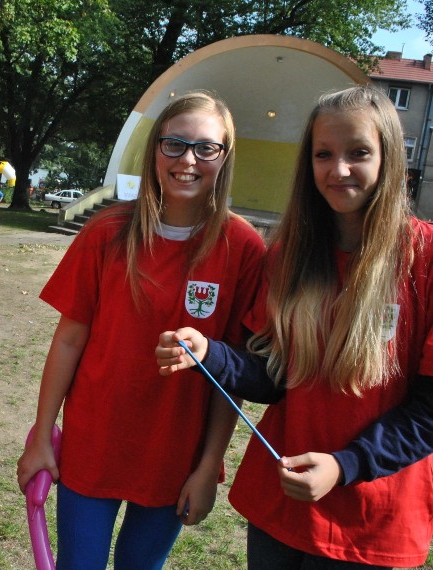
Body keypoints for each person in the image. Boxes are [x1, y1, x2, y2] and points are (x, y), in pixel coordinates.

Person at [156, 85, 433, 569]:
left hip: (371, 522)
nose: (338, 169)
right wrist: (209, 353)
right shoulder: (288, 256)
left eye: (359, 153)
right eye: (323, 154)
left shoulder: (424, 258)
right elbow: (274, 376)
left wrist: (346, 465)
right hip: (280, 509)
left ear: (390, 158)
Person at [16, 91, 265, 569]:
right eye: (173, 143)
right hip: (92, 448)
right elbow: (69, 339)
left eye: (205, 148)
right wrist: (42, 435)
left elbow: (232, 375)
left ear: (225, 157)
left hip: (173, 459)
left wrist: (208, 466)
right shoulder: (106, 231)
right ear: (154, 150)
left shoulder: (244, 248)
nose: (187, 159)